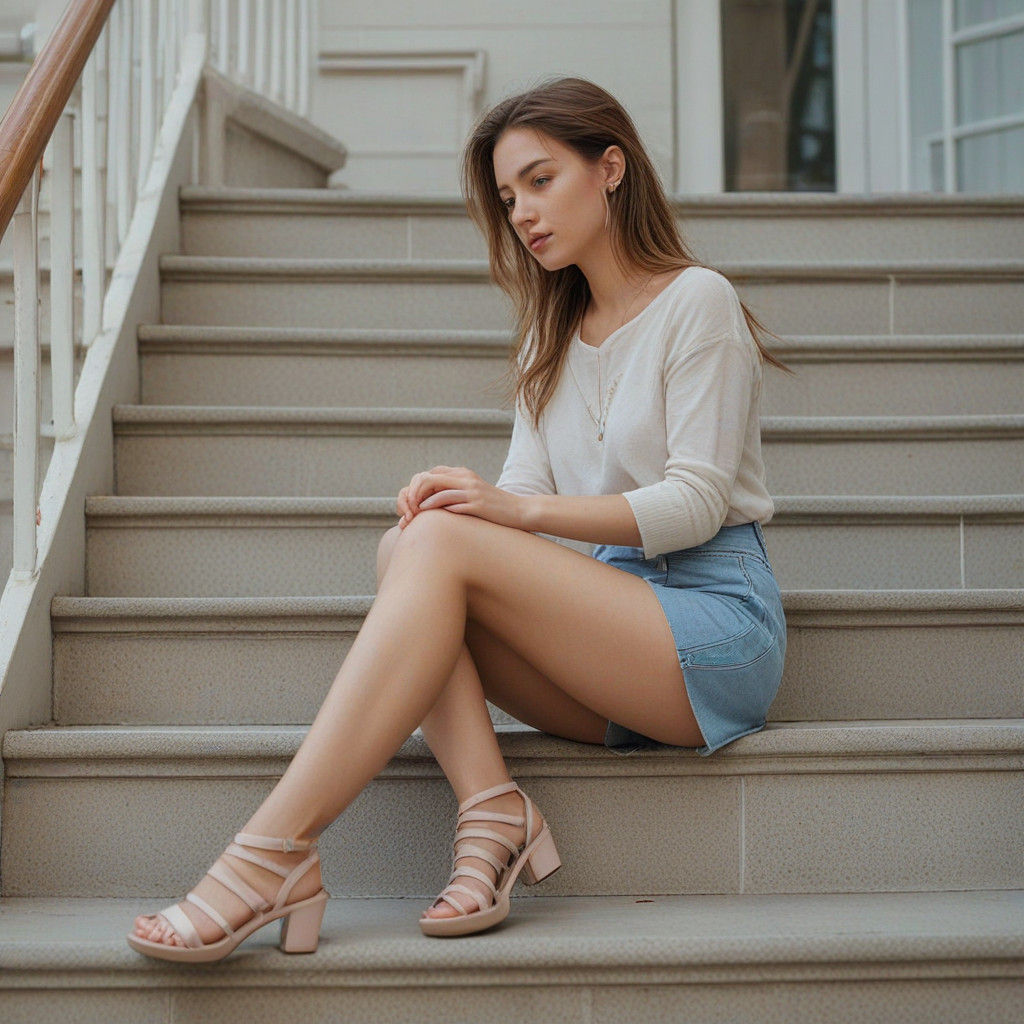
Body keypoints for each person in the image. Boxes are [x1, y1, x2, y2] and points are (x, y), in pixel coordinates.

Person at [126, 75, 793, 963]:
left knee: (432, 547)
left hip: (714, 624)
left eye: (540, 180)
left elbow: (697, 502)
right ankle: (493, 812)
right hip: (612, 637)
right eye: (508, 197)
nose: (521, 212)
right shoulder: (546, 337)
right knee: (409, 543)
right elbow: (516, 507)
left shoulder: (695, 301)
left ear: (611, 168)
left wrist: (511, 509)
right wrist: (462, 502)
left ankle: (269, 855)